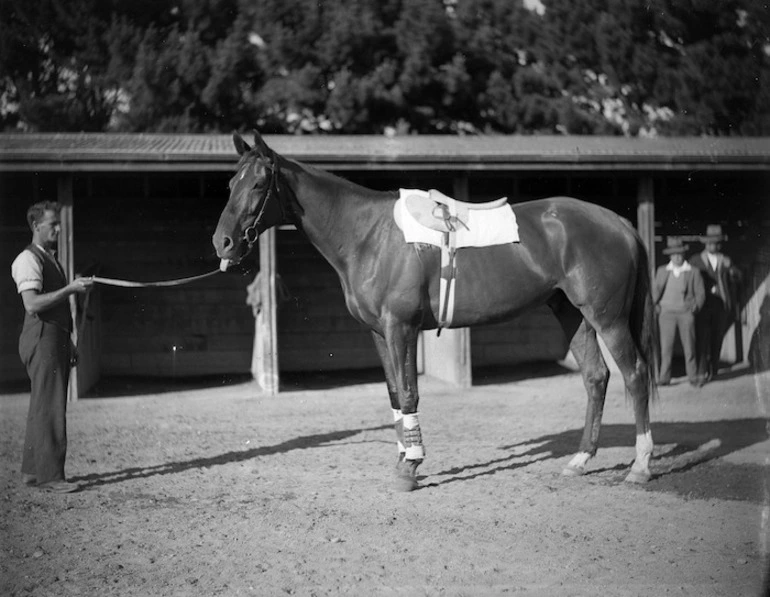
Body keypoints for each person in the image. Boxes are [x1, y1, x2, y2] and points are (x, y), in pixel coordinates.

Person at [10, 201, 93, 493]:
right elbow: (32, 304)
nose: (58, 228)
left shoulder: (48, 258)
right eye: (52, 224)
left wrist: (69, 344)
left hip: (54, 337)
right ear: (36, 226)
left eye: (58, 223)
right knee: (52, 407)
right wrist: (71, 289)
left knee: (41, 404)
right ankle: (51, 477)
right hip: (41, 337)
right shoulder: (27, 259)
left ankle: (33, 472)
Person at [690, 224, 742, 383]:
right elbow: (689, 282)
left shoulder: (726, 260)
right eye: (710, 242)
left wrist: (732, 271)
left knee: (717, 338)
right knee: (701, 339)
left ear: (719, 244)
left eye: (716, 242)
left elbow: (738, 277)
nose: (713, 245)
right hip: (702, 306)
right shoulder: (695, 260)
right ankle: (701, 372)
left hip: (720, 306)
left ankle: (714, 370)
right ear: (705, 243)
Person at [653, 237, 706, 387]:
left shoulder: (692, 271)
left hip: (685, 313)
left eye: (680, 253)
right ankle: (664, 378)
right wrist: (656, 307)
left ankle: (693, 377)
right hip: (666, 314)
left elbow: (701, 294)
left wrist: (694, 308)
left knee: (689, 346)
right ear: (670, 255)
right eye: (674, 254)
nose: (677, 257)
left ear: (683, 254)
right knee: (666, 347)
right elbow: (654, 291)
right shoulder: (662, 271)